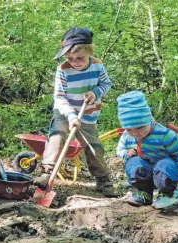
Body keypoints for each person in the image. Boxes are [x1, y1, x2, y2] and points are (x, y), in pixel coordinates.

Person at [34, 27, 117, 197]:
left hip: (87, 113)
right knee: (57, 137)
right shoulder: (63, 69)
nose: (75, 62)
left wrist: (95, 93)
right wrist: (71, 115)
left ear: (89, 50)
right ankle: (47, 173)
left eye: (80, 58)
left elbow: (106, 84)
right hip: (64, 112)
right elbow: (59, 97)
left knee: (94, 147)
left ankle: (103, 180)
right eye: (70, 58)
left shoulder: (97, 65)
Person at [116, 91, 178, 206]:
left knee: (165, 165)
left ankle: (166, 194)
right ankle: (144, 194)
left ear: (148, 120)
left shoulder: (164, 135)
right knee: (133, 163)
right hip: (144, 170)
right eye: (129, 129)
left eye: (139, 128)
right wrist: (125, 152)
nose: (135, 133)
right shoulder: (127, 136)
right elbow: (119, 149)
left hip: (164, 172)